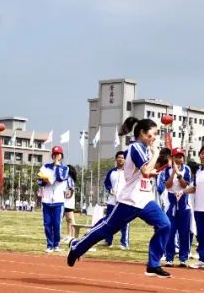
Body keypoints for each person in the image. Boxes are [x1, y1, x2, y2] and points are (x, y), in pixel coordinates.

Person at [67, 116, 172, 277]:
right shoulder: (136, 147)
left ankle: (153, 264)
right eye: (152, 135)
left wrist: (154, 169)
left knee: (165, 225)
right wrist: (156, 154)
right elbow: (144, 171)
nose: (154, 138)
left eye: (156, 135)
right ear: (142, 133)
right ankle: (76, 246)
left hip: (145, 199)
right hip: (130, 200)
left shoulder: (144, 149)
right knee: (105, 229)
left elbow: (145, 173)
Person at [159, 148, 193, 267]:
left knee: (184, 232)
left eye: (181, 156)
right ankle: (169, 257)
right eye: (176, 156)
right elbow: (167, 185)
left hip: (184, 203)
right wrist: (173, 172)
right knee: (170, 231)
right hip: (171, 202)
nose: (179, 159)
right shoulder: (166, 170)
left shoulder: (186, 169)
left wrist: (179, 175)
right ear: (172, 158)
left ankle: (183, 258)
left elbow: (185, 185)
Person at [38, 146, 70, 253]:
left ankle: (56, 244)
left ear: (61, 156)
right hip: (46, 200)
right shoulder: (45, 167)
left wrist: (56, 167)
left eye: (58, 154)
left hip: (58, 201)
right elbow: (39, 181)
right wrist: (44, 181)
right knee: (47, 224)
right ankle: (49, 245)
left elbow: (61, 178)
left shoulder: (65, 168)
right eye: (55, 154)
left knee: (56, 224)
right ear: (52, 155)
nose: (56, 156)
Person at [102, 151, 131, 249]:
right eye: (119, 157)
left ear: (125, 160)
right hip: (112, 201)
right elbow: (106, 183)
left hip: (124, 201)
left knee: (124, 222)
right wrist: (110, 189)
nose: (120, 159)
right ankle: (108, 241)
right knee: (109, 221)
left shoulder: (128, 172)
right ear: (116, 159)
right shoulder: (112, 172)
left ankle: (124, 243)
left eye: (122, 157)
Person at [62, 167, 78, 244]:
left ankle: (73, 236)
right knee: (68, 220)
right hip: (66, 201)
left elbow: (72, 189)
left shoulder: (69, 179)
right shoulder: (66, 178)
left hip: (68, 202)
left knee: (71, 219)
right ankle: (69, 235)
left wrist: (69, 196)